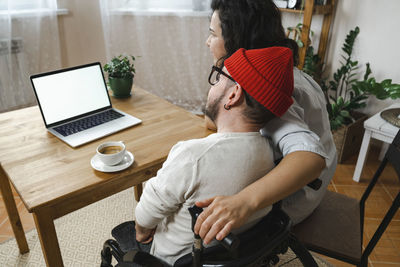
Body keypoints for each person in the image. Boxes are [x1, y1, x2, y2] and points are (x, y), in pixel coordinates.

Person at [134, 47, 295, 264]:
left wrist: (142, 231)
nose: (212, 84)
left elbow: (147, 212)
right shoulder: (271, 152)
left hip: (176, 260)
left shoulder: (193, 155)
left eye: (218, 78)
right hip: (228, 256)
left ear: (233, 94)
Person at [194, 0, 337, 245]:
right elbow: (212, 120)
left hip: (297, 198)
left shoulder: (271, 93)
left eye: (212, 34)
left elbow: (310, 158)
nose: (207, 42)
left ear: (237, 39)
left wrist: (243, 203)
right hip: (313, 185)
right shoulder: (273, 72)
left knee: (191, 202)